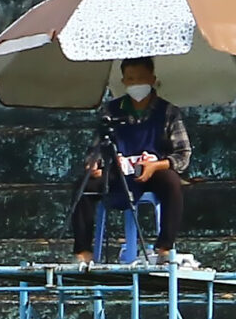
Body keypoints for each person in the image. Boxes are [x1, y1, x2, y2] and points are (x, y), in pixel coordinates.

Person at [72, 57, 193, 268]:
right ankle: (83, 252)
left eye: (141, 78)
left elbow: (183, 155)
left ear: (152, 79)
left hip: (152, 172)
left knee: (172, 183)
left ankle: (164, 248)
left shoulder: (168, 112)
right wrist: (94, 167)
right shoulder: (110, 111)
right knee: (84, 186)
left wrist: (156, 165)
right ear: (124, 81)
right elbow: (95, 151)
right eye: (131, 79)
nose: (136, 83)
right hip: (116, 173)